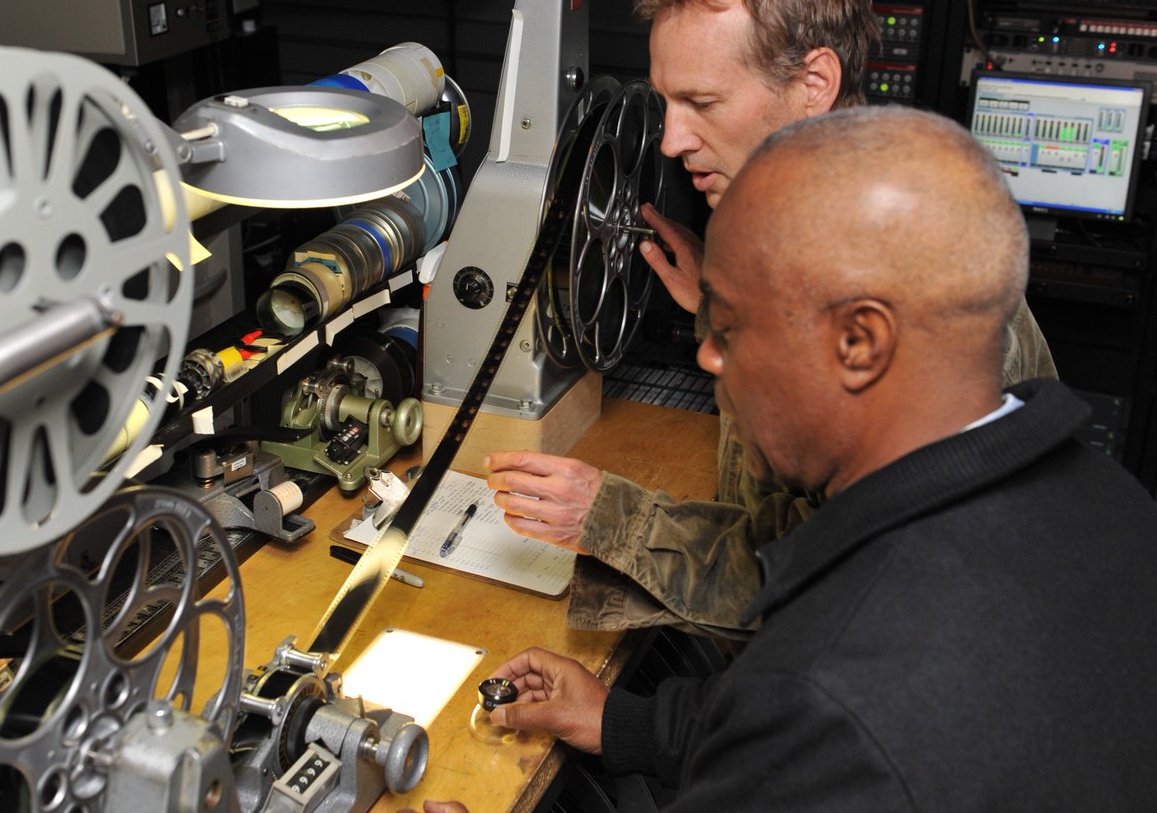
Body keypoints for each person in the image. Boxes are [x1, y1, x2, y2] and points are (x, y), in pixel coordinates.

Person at [478, 106, 1157, 810]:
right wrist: (630, 722)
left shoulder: (829, 692)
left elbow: (821, 722)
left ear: (861, 343)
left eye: (733, 328)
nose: (709, 354)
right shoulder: (1115, 503)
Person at [485, 0, 1058, 638]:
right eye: (668, 103)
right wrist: (720, 310)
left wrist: (610, 518)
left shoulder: (885, 289)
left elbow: (813, 593)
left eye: (703, 104)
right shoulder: (828, 199)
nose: (672, 141)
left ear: (814, 85)